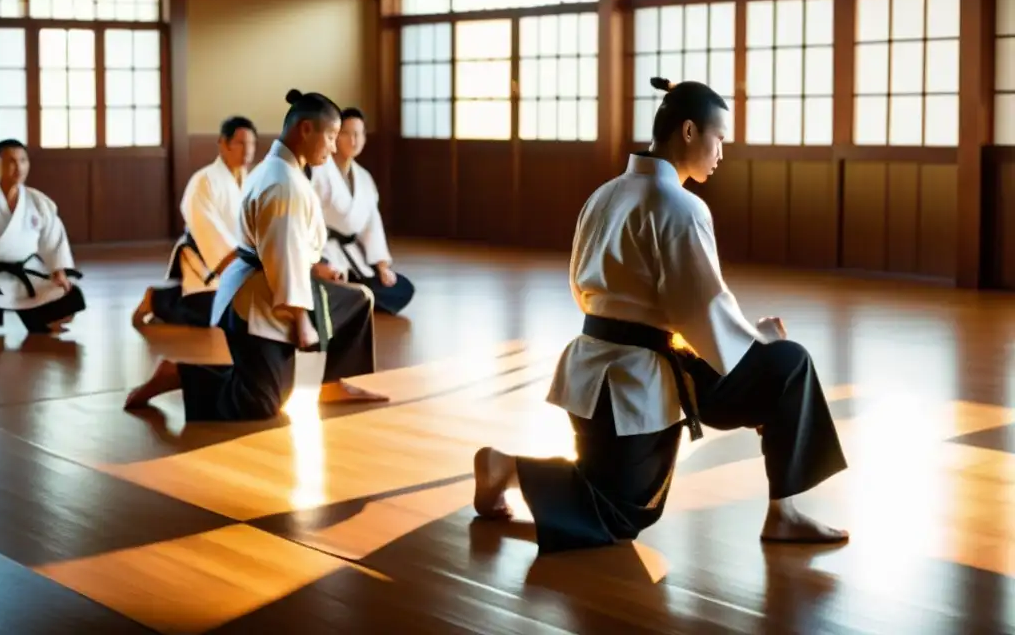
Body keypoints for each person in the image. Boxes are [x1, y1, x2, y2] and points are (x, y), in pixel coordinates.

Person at [471, 79, 848, 554]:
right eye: (720, 139)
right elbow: (701, 309)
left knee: (612, 493)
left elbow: (586, 289)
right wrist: (757, 338)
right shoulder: (680, 207)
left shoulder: (605, 194)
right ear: (689, 131)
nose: (722, 153)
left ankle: (784, 515)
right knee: (620, 511)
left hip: (590, 373)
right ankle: (505, 468)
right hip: (633, 384)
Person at [124, 90, 388, 421]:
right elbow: (281, 257)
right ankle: (177, 374)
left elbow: (287, 247)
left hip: (268, 285)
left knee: (357, 299)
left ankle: (334, 385)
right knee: (259, 402)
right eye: (332, 136)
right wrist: (302, 320)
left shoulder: (280, 170)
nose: (334, 147)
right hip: (257, 301)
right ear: (306, 129)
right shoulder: (282, 182)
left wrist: (315, 265)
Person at [132, 116, 258, 328]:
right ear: (223, 144)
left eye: (252, 144)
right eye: (240, 143)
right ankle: (157, 300)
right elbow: (208, 233)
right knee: (224, 315)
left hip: (240, 266)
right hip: (207, 265)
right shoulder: (204, 181)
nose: (247, 151)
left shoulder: (251, 182)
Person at [310, 107, 414, 315]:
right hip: (323, 253)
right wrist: (315, 263)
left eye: (359, 134)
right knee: (328, 285)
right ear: (335, 136)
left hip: (352, 255)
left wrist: (382, 265)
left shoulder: (364, 177)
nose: (354, 140)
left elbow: (372, 225)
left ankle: (350, 296)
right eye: (347, 133)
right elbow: (306, 219)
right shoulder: (318, 171)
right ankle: (341, 293)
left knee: (402, 289)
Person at [0, 139, 85, 334]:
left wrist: (58, 270)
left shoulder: (37, 201)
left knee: (71, 296)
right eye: (11, 162)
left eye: (23, 160)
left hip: (26, 273)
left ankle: (36, 317)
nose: (19, 168)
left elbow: (53, 238)